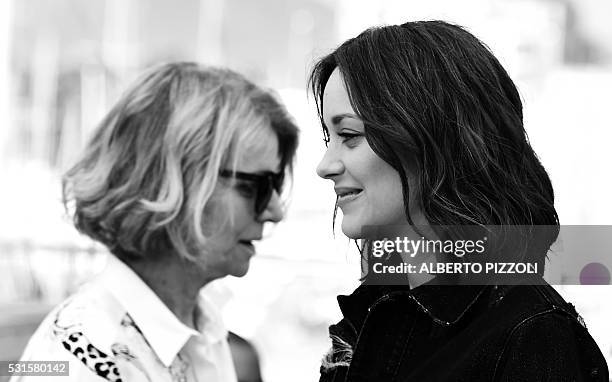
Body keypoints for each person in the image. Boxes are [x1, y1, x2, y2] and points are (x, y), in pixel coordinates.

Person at [309, 21, 608, 381]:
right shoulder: (372, 314)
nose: (325, 166)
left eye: (349, 135)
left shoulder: (530, 335)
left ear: (432, 137)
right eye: (330, 136)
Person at [13, 62, 298, 381]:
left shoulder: (201, 330)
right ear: (172, 184)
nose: (275, 210)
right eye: (255, 186)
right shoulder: (77, 362)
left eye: (276, 186)